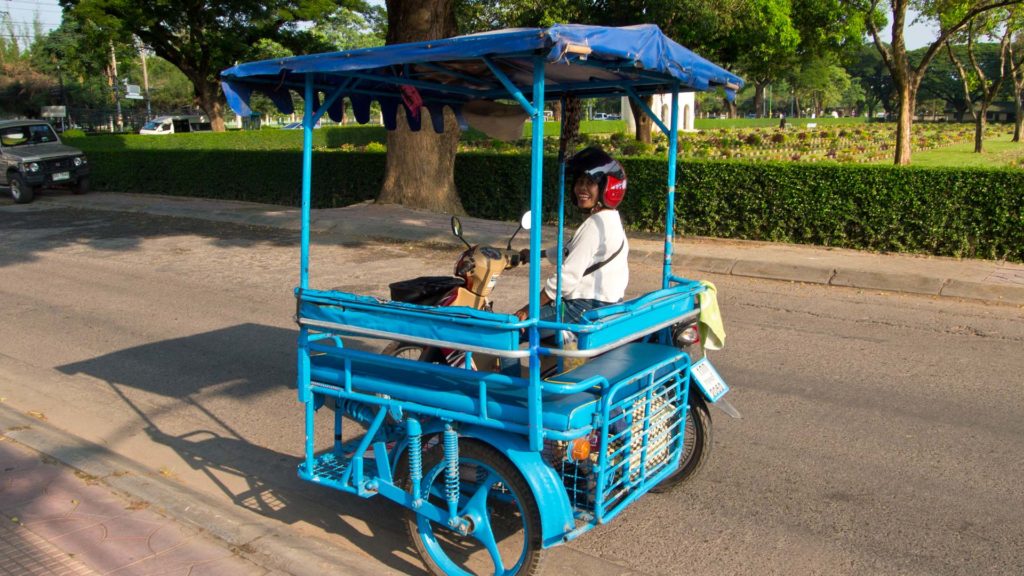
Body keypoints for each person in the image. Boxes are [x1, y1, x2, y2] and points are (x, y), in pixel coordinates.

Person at [514, 146, 630, 327]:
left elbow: (567, 278)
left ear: (606, 188)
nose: (581, 188)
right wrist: (536, 255)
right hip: (603, 304)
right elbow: (569, 252)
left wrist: (528, 309)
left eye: (590, 183)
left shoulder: (595, 225)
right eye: (579, 182)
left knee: (510, 332)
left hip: (583, 307)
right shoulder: (610, 219)